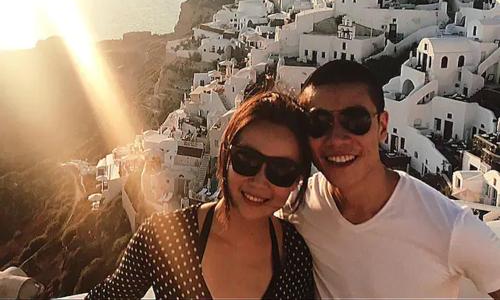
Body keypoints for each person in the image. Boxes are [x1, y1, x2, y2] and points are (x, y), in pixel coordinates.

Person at [287, 59, 500, 299]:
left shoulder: (451, 227)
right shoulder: (299, 205)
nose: (336, 139)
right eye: (318, 123)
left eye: (356, 121)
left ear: (382, 126)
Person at [87, 91, 314, 299]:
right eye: (247, 160)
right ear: (226, 156)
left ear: (297, 180)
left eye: (281, 170)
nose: (260, 181)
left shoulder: (295, 256)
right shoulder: (163, 239)